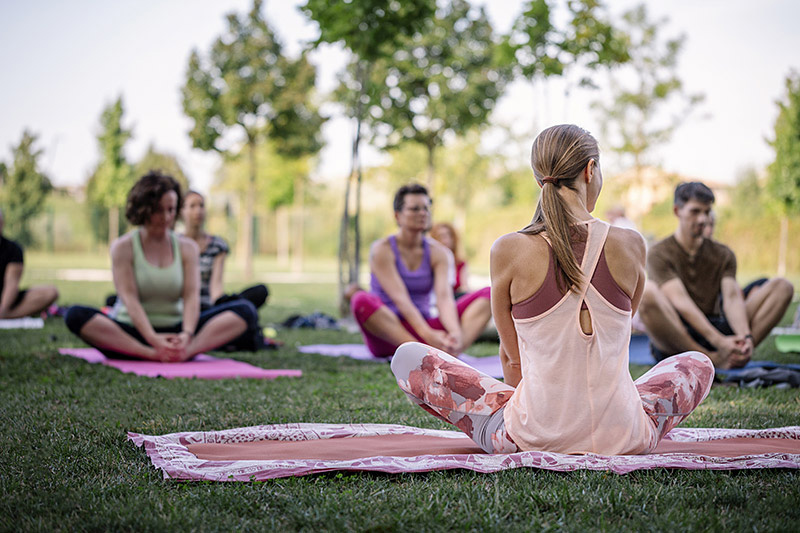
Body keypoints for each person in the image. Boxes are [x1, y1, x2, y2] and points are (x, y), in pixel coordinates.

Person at [391, 124, 714, 455]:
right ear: (590, 170)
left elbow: (511, 359)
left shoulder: (507, 250)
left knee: (407, 357)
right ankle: (612, 414)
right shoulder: (632, 244)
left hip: (530, 437)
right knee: (697, 364)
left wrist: (536, 418)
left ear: (537, 179)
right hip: (627, 437)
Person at [65, 171, 260, 361]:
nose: (166, 217)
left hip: (177, 331)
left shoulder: (187, 248)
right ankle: (148, 354)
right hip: (133, 332)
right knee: (75, 314)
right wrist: (152, 340)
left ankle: (185, 352)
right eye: (159, 210)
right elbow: (129, 298)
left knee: (246, 310)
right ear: (144, 209)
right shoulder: (123, 247)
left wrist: (187, 334)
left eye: (171, 210)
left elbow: (192, 296)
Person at [639, 182, 794, 369]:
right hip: (677, 336)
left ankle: (739, 354)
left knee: (783, 286)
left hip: (716, 325)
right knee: (646, 292)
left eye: (706, 212)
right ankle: (708, 361)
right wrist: (719, 342)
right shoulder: (659, 252)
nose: (703, 219)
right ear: (677, 211)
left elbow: (732, 298)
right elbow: (680, 301)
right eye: (695, 212)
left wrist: (745, 337)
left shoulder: (723, 254)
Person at [350, 184, 492, 358]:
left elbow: (444, 297)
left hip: (426, 326)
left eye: (426, 208)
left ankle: (453, 350)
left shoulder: (438, 253)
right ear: (398, 216)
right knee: (360, 300)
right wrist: (428, 335)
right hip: (389, 334)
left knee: (489, 294)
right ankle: (418, 354)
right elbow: (401, 300)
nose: (423, 213)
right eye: (415, 209)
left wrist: (454, 333)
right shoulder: (382, 249)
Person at [180, 190, 268, 311]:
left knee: (259, 292)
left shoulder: (217, 245)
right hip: (182, 308)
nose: (198, 211)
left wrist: (222, 305)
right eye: (192, 206)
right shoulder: (174, 242)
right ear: (181, 211)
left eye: (201, 205)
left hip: (209, 308)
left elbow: (216, 287)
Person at [0, 208, 59, 319]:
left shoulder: (13, 249)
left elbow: (12, 283)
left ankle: (6, 315)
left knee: (51, 292)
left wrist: (3, 309)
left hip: (7, 299)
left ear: (2, 224)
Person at [429, 222, 470, 297]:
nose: (446, 240)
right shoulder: (430, 261)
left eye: (449, 236)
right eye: (441, 236)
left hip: (455, 297)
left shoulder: (460, 263)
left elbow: (465, 286)